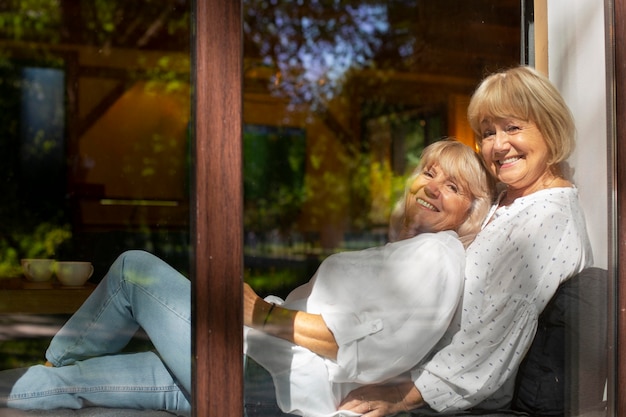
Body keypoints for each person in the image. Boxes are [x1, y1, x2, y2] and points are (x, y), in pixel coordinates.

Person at [0, 139, 494, 415]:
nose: (432, 187)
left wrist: (259, 311)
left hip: (260, 382)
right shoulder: (403, 251)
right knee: (47, 387)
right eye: (429, 172)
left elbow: (368, 342)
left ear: (470, 210)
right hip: (249, 368)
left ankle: (53, 357)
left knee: (135, 270)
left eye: (452, 186)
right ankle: (47, 371)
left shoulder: (439, 255)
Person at [337, 65, 594, 417]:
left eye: (513, 128)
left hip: (449, 397)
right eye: (488, 133)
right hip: (408, 363)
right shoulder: (506, 200)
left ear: (549, 128)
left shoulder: (546, 219)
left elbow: (490, 341)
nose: (498, 146)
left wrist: (401, 395)